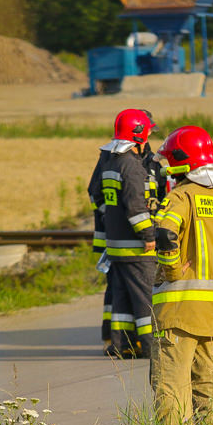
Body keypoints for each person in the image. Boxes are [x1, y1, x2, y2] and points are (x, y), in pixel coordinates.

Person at [151, 125, 213, 425]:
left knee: (171, 387)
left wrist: (172, 270)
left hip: (179, 309)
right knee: (211, 389)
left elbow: (164, 235)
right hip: (212, 313)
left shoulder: (181, 196)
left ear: (182, 163)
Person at [94, 109, 157, 358]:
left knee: (120, 299)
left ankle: (121, 346)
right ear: (139, 134)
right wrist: (149, 236)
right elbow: (135, 209)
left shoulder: (111, 161)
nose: (151, 133)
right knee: (145, 299)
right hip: (135, 247)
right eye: (148, 129)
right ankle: (152, 347)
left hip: (116, 246)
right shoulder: (131, 166)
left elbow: (99, 197)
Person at [87, 144, 115, 355]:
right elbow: (94, 192)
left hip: (123, 237)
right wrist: (114, 216)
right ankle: (109, 337)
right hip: (112, 237)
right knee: (114, 288)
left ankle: (120, 337)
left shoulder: (143, 152)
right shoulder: (110, 155)